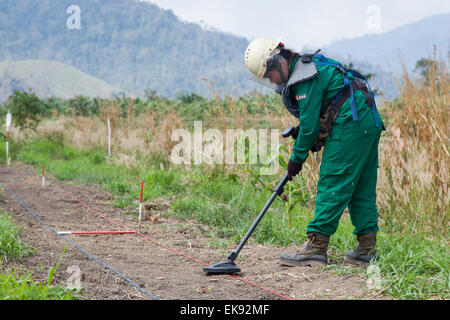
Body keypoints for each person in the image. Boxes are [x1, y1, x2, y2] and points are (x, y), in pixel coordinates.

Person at [244, 38, 385, 266]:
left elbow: (310, 129)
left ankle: (316, 247)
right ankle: (366, 250)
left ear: (278, 62)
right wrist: (304, 132)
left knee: (333, 181)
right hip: (368, 122)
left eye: (269, 75)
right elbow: (321, 110)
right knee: (360, 187)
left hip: (351, 124)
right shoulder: (309, 66)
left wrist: (295, 160)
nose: (271, 80)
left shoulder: (303, 78)